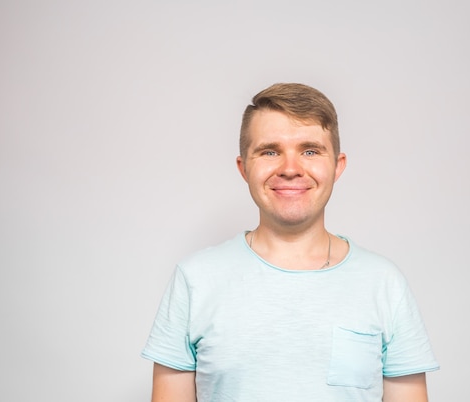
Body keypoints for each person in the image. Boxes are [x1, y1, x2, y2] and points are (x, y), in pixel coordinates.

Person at [141, 83, 439, 401]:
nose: (290, 169)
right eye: (270, 151)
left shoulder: (384, 284)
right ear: (244, 168)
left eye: (310, 150)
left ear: (337, 166)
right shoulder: (195, 280)